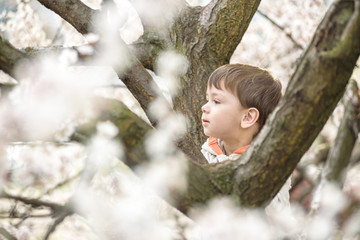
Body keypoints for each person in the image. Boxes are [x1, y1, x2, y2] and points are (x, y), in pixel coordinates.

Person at [201, 63, 292, 219]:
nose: (204, 107)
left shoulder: (267, 172)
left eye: (216, 101)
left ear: (248, 117)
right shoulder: (205, 152)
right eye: (207, 99)